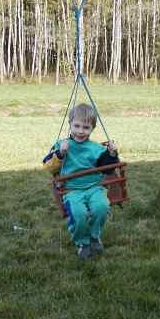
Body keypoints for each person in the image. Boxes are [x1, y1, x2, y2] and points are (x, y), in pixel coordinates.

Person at [43, 103, 119, 260]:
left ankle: (94, 236)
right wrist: (60, 153)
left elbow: (108, 169)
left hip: (94, 187)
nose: (80, 131)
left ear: (92, 128)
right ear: (70, 124)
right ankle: (82, 243)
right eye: (76, 126)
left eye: (85, 127)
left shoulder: (96, 148)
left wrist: (111, 154)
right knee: (79, 214)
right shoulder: (62, 145)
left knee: (102, 207)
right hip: (72, 190)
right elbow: (48, 166)